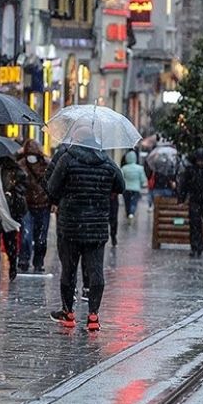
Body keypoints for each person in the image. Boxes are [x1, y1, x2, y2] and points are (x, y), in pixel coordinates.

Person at [48, 129, 125, 332]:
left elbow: (52, 188)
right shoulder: (106, 161)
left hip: (70, 225)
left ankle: (69, 312)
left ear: (78, 141)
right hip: (97, 226)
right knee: (95, 270)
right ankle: (93, 315)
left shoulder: (67, 159)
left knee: (69, 270)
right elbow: (121, 185)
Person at [0, 156, 27, 283]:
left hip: (9, 210)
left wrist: (13, 192)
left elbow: (24, 185)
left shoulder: (15, 170)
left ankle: (13, 266)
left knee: (9, 240)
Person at [18, 140, 51, 273]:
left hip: (43, 205)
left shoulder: (47, 165)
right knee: (27, 235)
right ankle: (25, 260)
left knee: (40, 237)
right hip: (27, 206)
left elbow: (52, 184)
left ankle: (37, 262)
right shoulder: (21, 165)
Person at [179, 150, 203, 258]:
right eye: (198, 161)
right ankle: (196, 248)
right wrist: (181, 199)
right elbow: (184, 185)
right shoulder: (191, 170)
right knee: (195, 225)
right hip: (196, 200)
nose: (200, 163)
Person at [121, 151, 146, 222]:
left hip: (126, 188)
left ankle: (128, 213)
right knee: (134, 202)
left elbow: (121, 179)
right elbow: (143, 179)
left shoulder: (124, 168)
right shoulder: (140, 168)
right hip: (136, 189)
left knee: (127, 203)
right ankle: (131, 213)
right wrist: (141, 185)